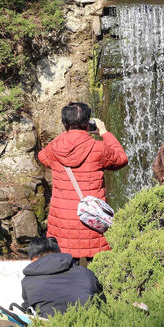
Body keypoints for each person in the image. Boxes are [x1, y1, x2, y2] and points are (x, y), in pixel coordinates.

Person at [38, 102, 128, 262]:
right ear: (87, 123)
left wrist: (67, 135)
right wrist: (105, 133)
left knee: (65, 269)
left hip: (62, 222)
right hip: (91, 219)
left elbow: (42, 157)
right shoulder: (98, 148)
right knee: (98, 269)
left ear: (65, 123)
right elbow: (121, 159)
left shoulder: (54, 148)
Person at [21, 237, 104, 318]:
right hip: (91, 322)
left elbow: (28, 310)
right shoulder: (86, 273)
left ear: (32, 258)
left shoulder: (28, 281)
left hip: (49, 325)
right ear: (58, 252)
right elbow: (102, 301)